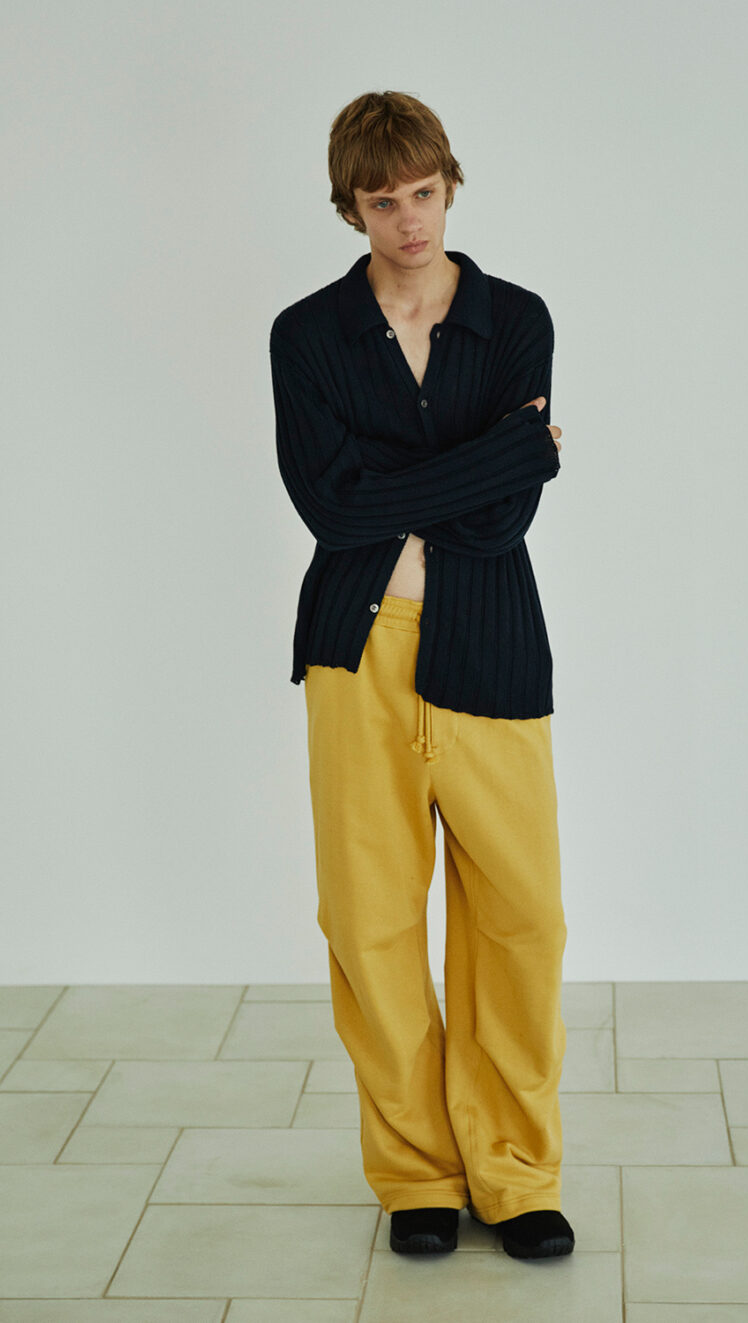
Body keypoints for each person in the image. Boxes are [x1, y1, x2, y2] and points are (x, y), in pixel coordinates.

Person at [269, 89, 574, 1261]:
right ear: (348, 207)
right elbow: (327, 508)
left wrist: (419, 485)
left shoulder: (515, 320)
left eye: (424, 194)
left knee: (520, 917)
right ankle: (416, 1177)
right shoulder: (307, 336)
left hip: (490, 642)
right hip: (356, 653)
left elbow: (503, 520)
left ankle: (514, 1171)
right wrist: (508, 450)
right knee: (371, 919)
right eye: (381, 201)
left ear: (450, 185)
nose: (408, 221)